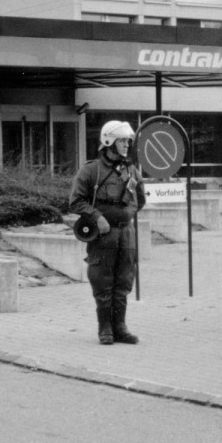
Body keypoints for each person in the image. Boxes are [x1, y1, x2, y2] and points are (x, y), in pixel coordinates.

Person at [70, 120, 147, 345]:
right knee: (102, 280)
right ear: (109, 141)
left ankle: (120, 327)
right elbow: (75, 201)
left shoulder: (131, 170)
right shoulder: (91, 170)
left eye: (127, 141)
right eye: (122, 140)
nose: (126, 145)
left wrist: (126, 216)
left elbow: (140, 200)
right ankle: (105, 328)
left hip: (126, 234)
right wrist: (98, 217)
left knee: (124, 280)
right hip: (103, 235)